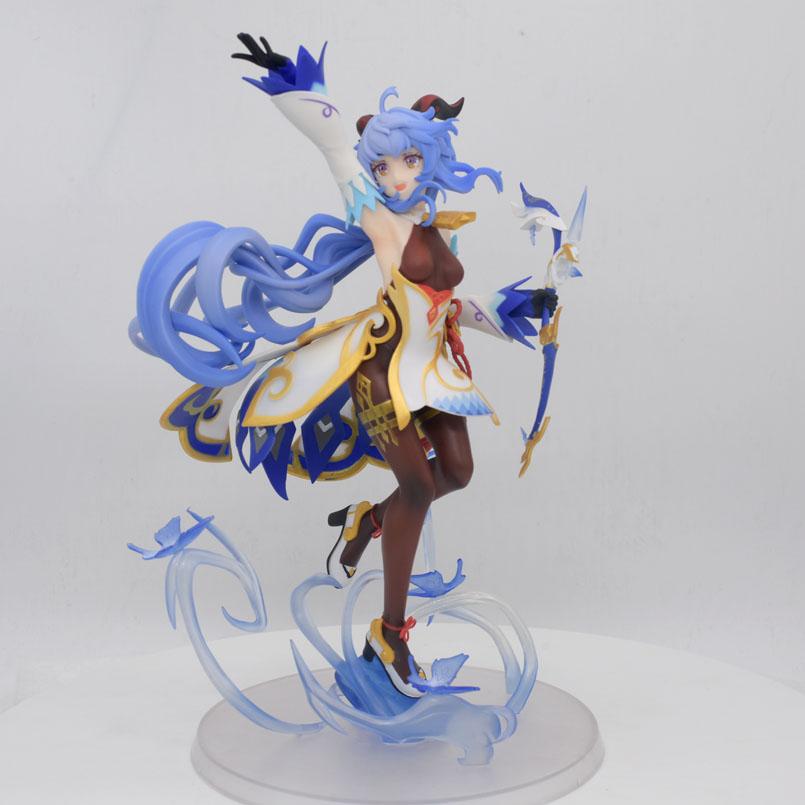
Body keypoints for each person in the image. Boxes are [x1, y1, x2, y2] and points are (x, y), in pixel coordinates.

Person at [133, 35, 556, 698]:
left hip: (434, 371)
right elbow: (334, 145)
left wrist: (517, 307)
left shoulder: (437, 225)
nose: (396, 176)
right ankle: (390, 635)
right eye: (383, 165)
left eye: (408, 161)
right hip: (383, 377)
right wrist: (295, 87)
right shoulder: (381, 222)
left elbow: (448, 307)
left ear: (428, 159)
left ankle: (366, 521)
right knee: (419, 488)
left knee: (457, 474)